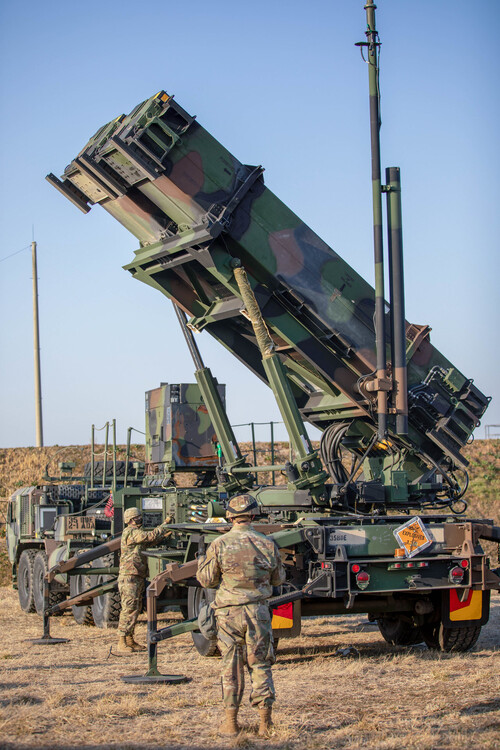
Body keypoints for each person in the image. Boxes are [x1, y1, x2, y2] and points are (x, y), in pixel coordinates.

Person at [196, 493, 285, 737]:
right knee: (260, 664)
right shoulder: (267, 543)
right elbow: (279, 579)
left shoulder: (220, 544)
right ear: (254, 514)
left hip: (228, 614)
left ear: (230, 516)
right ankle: (266, 723)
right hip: (258, 612)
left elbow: (206, 580)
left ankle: (231, 723)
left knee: (230, 667)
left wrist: (203, 561)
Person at [117, 507, 172, 654]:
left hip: (136, 575)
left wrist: (163, 536)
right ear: (130, 520)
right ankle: (121, 641)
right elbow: (149, 536)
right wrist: (164, 524)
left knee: (135, 608)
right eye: (137, 518)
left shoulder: (136, 535)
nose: (139, 519)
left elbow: (149, 542)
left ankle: (129, 639)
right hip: (129, 576)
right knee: (128, 608)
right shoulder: (131, 532)